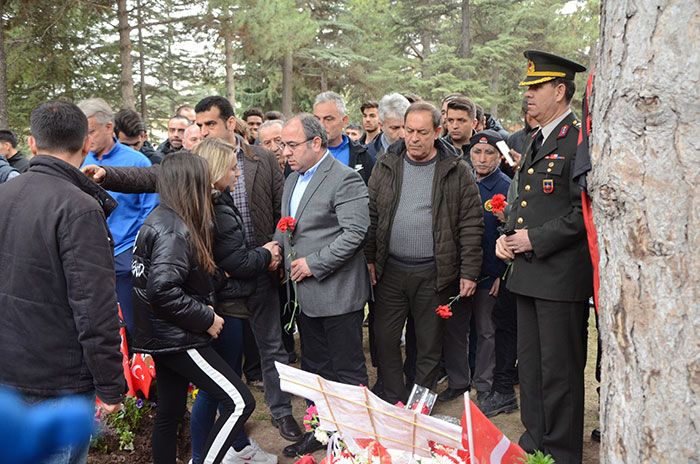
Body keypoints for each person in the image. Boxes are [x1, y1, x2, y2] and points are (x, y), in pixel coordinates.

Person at [0, 100, 125, 464]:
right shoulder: (79, 208)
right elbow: (95, 307)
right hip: (55, 381)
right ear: (87, 144)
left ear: (33, 143)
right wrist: (111, 386)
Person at [495, 50, 592, 464]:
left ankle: (561, 452)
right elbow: (524, 203)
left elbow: (583, 212)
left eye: (536, 88)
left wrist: (532, 239)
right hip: (529, 273)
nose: (528, 96)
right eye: (527, 89)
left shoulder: (579, 137)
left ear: (560, 90)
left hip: (561, 275)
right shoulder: (536, 137)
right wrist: (506, 238)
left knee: (560, 373)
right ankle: (536, 442)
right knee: (531, 369)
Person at [131, 152, 255, 464]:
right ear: (191, 184)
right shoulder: (172, 228)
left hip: (163, 336)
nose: (210, 188)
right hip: (177, 336)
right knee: (239, 402)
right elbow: (161, 290)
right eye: (204, 182)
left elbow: (177, 277)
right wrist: (206, 318)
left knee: (170, 413)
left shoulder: (167, 218)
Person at [365, 101, 484, 405]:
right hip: (391, 270)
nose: (414, 138)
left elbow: (471, 223)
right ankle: (394, 398)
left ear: (437, 131)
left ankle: (421, 405)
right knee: (385, 337)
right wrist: (369, 258)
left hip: (434, 272)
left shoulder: (457, 171)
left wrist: (469, 272)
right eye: (409, 131)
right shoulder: (386, 164)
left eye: (421, 132)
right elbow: (373, 214)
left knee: (430, 344)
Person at [276, 114, 371, 457]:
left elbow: (355, 234)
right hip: (304, 297)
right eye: (282, 145)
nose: (284, 152)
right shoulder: (292, 177)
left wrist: (314, 264)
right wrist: (276, 249)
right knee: (314, 370)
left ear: (316, 143)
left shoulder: (345, 179)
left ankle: (354, 436)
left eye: (290, 145)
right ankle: (320, 432)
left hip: (338, 292)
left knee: (346, 369)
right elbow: (287, 225)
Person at [191, 139, 280, 464]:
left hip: (225, 302)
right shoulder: (218, 209)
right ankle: (200, 457)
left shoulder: (208, 201)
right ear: (215, 172)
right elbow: (238, 262)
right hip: (226, 309)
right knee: (218, 391)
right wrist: (266, 254)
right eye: (231, 167)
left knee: (229, 384)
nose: (238, 174)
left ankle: (239, 446)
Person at [439, 130, 512, 405]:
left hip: (489, 273)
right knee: (457, 329)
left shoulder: (505, 186)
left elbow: (509, 233)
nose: (482, 158)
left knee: (485, 330)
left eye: (489, 152)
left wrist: (500, 273)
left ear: (498, 156)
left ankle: (483, 383)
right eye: (477, 152)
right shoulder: (461, 179)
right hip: (459, 271)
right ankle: (458, 381)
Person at [78, 97, 159, 340]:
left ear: (109, 127)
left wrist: (133, 251)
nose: (87, 139)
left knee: (132, 324)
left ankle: (142, 371)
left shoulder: (137, 162)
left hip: (125, 256)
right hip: (90, 257)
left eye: (91, 131)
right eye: (84, 133)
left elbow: (150, 212)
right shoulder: (80, 159)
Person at [312, 91, 374, 184]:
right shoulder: (301, 153)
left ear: (344, 121)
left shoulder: (362, 156)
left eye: (328, 119)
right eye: (317, 119)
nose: (321, 125)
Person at [366, 93, 410, 161]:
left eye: (407, 127)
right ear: (381, 125)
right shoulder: (366, 155)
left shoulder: (423, 151)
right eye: (395, 128)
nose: (402, 135)